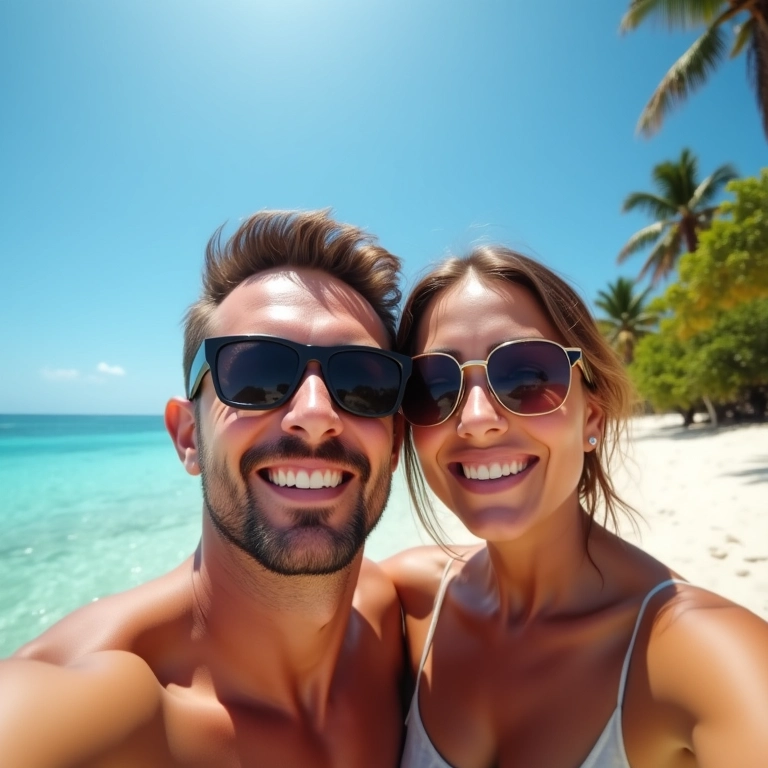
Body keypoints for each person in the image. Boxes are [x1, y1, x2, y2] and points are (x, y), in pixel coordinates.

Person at [0, 210, 411, 767]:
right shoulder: (105, 702)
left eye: (362, 382)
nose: (315, 415)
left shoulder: (396, 616)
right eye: (256, 375)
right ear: (189, 435)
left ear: (396, 437)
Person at [383, 246, 768, 768]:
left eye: (526, 376)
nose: (475, 419)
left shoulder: (707, 655)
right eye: (435, 386)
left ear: (593, 418)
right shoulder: (406, 602)